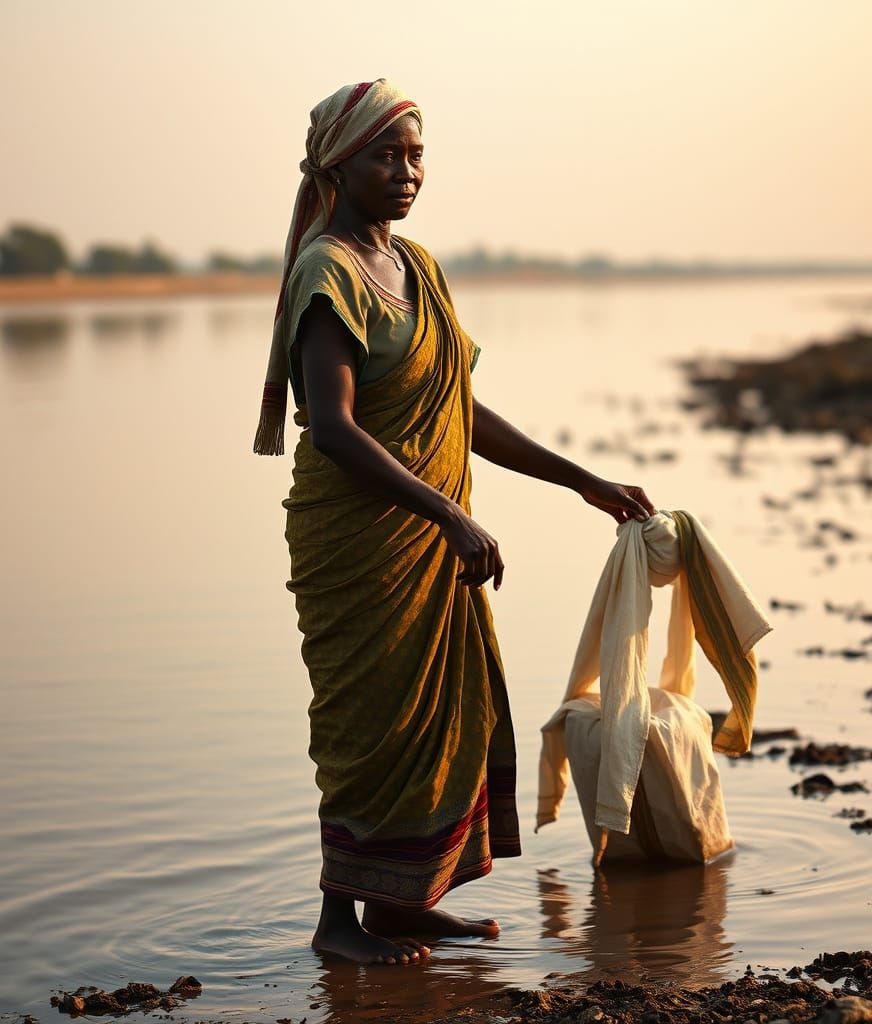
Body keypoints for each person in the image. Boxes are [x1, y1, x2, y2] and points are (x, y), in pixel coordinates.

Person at [252, 79, 656, 967]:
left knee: (441, 717)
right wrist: (449, 515)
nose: (405, 172)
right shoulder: (328, 272)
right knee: (370, 722)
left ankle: (399, 906)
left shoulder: (420, 267)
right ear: (338, 164)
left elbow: (461, 408)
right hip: (362, 541)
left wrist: (581, 480)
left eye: (416, 154)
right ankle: (336, 924)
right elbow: (334, 426)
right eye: (384, 155)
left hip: (428, 534)